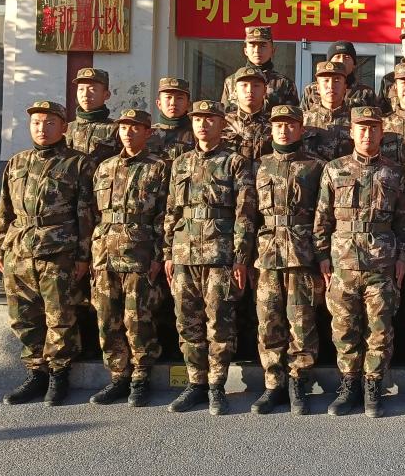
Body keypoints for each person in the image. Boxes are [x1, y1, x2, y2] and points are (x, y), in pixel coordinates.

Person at [0, 100, 95, 407]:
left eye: (50, 123)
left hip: (58, 250)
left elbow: (86, 212)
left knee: (60, 314)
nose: (42, 128)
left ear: (63, 127)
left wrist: (83, 255)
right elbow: (4, 209)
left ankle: (59, 374)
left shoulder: (78, 163)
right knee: (23, 315)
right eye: (36, 122)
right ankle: (36, 372)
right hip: (19, 250)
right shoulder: (17, 162)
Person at [314, 107, 405, 418]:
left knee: (380, 328)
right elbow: (322, 217)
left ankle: (373, 385)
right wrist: (322, 256)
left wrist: (402, 257)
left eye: (373, 128)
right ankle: (349, 385)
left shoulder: (395, 172)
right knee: (344, 328)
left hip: (381, 263)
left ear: (381, 133)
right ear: (352, 133)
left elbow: (404, 221)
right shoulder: (334, 169)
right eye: (362, 128)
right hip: (343, 263)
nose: (367, 134)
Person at [162, 100, 256, 416]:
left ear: (221, 124)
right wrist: (167, 252)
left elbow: (245, 213)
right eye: (198, 119)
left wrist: (241, 257)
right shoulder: (181, 163)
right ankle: (196, 383)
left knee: (219, 322)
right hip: (184, 253)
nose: (203, 124)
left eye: (210, 119)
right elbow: (172, 210)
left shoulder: (235, 163)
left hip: (220, 253)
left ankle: (216, 385)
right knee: (187, 321)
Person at [89, 108, 169, 407]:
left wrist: (159, 255)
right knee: (106, 317)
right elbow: (92, 212)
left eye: (136, 127)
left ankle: (140, 375)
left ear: (148, 132)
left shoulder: (158, 168)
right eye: (124, 127)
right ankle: (118, 376)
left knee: (138, 318)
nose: (128, 132)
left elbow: (165, 214)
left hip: (140, 252)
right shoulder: (105, 167)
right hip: (104, 252)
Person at [250, 105, 326, 416]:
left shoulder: (317, 166)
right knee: (268, 322)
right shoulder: (260, 165)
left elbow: (325, 216)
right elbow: (248, 215)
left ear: (301, 128)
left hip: (302, 254)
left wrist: (322, 256)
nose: (284, 130)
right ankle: (273, 384)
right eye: (278, 125)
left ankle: (299, 381)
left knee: (302, 323)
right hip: (267, 255)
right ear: (271, 129)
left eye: (290, 125)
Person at [220, 25, 299, 111]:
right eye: (252, 46)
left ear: (273, 50)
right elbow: (224, 114)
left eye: (263, 46)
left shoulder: (284, 84)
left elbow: (292, 117)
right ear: (245, 51)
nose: (257, 50)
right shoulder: (232, 81)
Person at [299, 41, 376, 111]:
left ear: (354, 65)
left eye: (347, 57)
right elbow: (301, 117)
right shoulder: (311, 90)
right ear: (329, 62)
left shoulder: (366, 92)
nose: (342, 61)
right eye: (337, 57)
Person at [66, 67, 120, 165]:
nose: (85, 94)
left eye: (92, 89)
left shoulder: (117, 129)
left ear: (106, 95)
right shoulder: (66, 129)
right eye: (81, 89)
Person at [302, 60, 355, 162]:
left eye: (337, 80)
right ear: (318, 88)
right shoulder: (304, 120)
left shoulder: (355, 121)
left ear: (345, 88)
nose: (331, 86)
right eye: (326, 80)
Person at [223, 65, 273, 165]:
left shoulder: (275, 123)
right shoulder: (223, 123)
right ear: (235, 90)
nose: (250, 90)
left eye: (256, 85)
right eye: (244, 85)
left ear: (264, 90)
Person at [149, 77, 194, 159]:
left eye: (179, 98)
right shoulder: (147, 134)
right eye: (168, 97)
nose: (173, 103)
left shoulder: (198, 134)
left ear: (188, 104)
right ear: (159, 103)